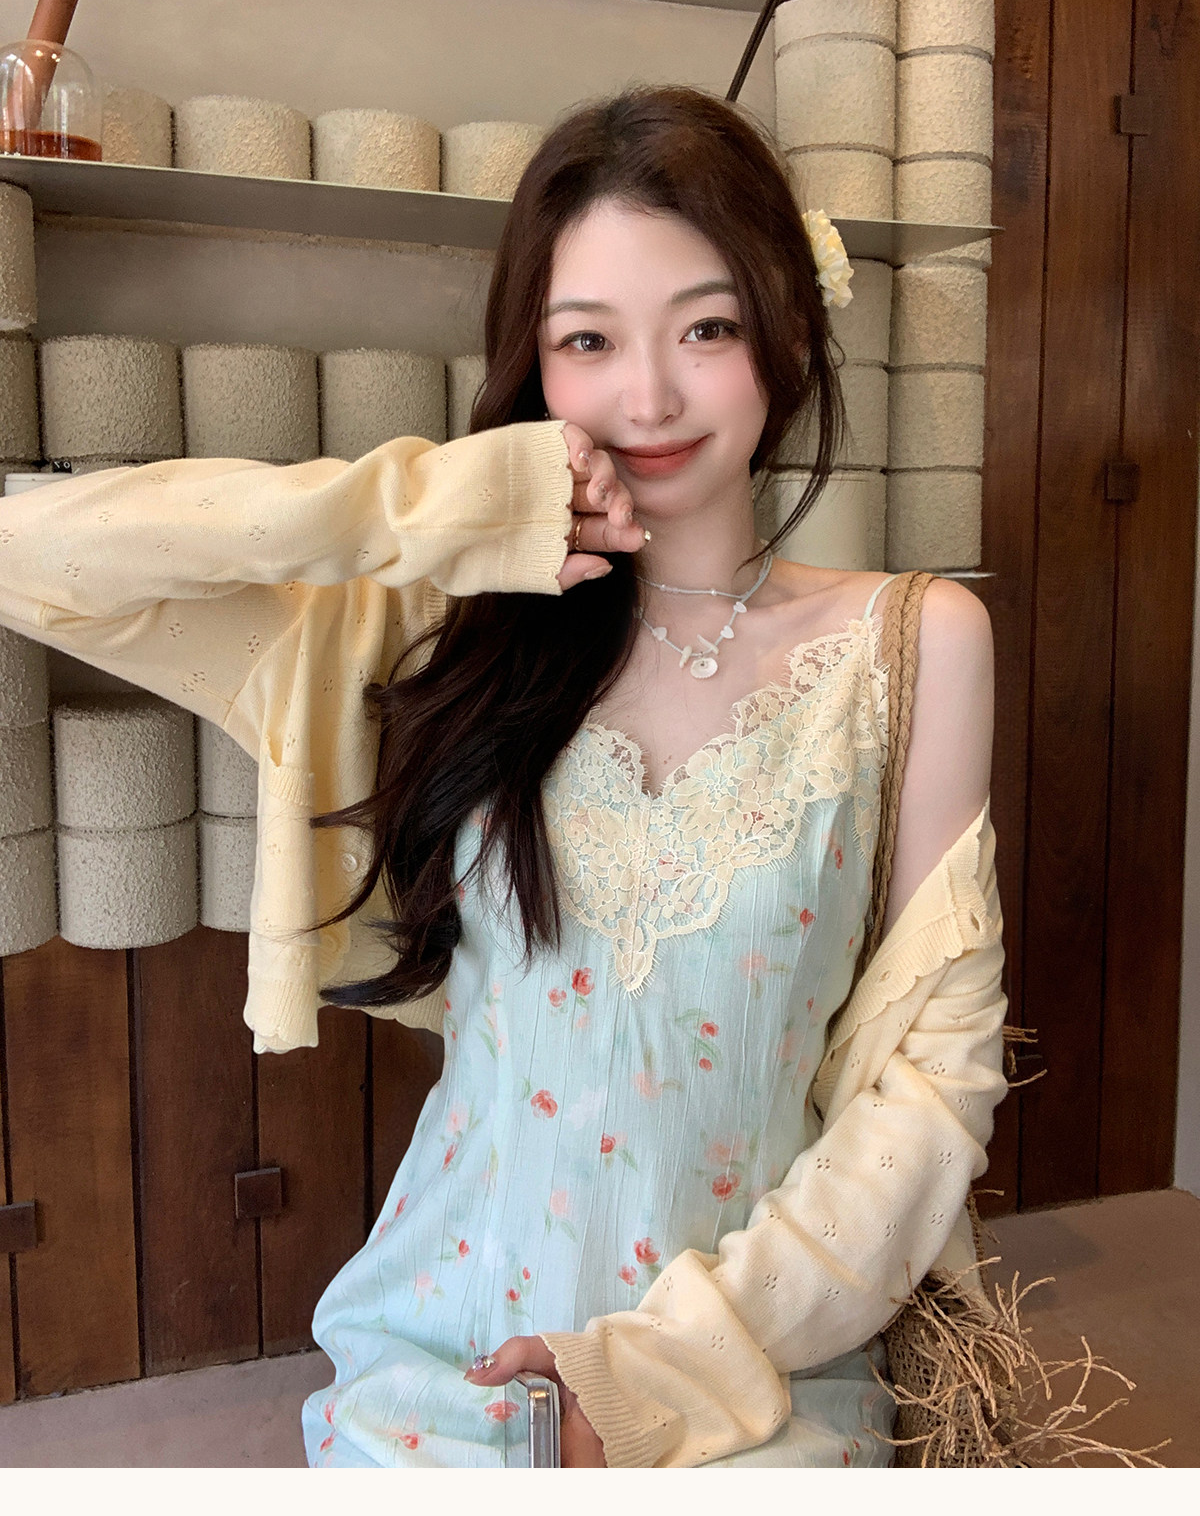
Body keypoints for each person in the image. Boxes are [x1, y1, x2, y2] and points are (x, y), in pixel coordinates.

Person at [0, 85, 1005, 1471]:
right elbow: (33, 557)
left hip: (757, 1368)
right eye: (587, 340)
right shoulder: (432, 629)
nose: (648, 397)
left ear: (784, 333)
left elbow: (932, 1087)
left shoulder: (913, 644)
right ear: (532, 366)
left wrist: (657, 1370)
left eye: (705, 328)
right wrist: (441, 508)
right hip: (452, 1346)